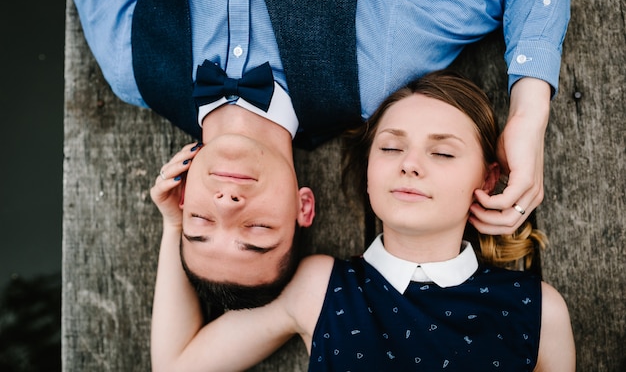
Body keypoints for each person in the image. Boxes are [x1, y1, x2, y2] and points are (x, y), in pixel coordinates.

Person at [57, 0, 571, 305]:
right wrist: (528, 116)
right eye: (257, 231)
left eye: (199, 223)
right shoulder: (372, 68)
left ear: (181, 189)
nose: (228, 206)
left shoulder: (135, 67)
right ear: (304, 206)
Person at [149, 71, 575, 371]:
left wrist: (528, 114)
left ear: (488, 178)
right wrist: (174, 222)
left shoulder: (538, 312)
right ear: (368, 171)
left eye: (442, 153)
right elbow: (176, 364)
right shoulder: (318, 289)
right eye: (390, 148)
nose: (410, 165)